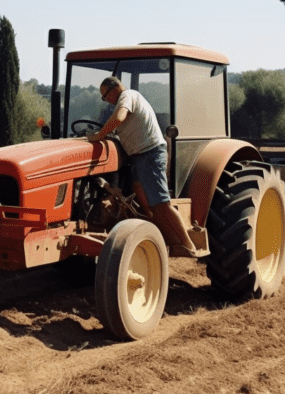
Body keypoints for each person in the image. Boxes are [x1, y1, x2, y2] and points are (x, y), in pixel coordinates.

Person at [86, 76, 208, 258]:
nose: (107, 100)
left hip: (149, 153)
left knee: (161, 204)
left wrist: (100, 135)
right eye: (104, 98)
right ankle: (159, 237)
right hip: (139, 156)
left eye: (106, 96)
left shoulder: (127, 96)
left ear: (116, 88)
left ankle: (188, 244)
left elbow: (119, 116)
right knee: (142, 195)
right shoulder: (125, 100)